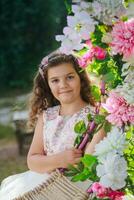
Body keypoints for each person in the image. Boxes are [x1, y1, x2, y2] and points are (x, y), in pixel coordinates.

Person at [0, 53, 105, 199]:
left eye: (70, 77)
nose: (63, 85)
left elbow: (89, 165)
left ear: (80, 78)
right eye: (55, 80)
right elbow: (32, 161)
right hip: (44, 188)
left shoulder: (95, 117)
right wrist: (60, 159)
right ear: (48, 85)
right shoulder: (46, 117)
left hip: (74, 190)